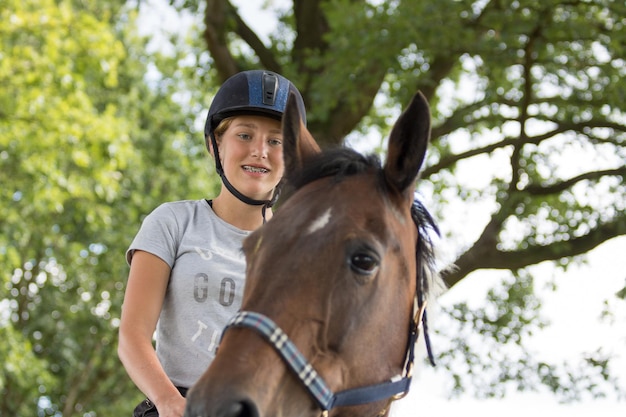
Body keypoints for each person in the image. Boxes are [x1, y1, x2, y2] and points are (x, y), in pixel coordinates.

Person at [117, 70, 307, 417]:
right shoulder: (173, 222)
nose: (260, 151)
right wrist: (170, 403)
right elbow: (132, 335)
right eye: (245, 135)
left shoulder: (300, 252)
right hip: (177, 404)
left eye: (276, 141)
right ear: (215, 145)